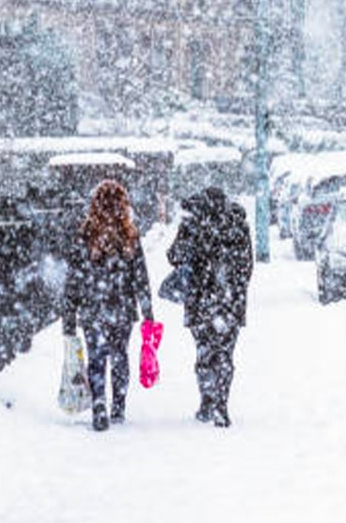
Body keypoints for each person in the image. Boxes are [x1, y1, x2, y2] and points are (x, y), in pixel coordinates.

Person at [63, 180, 155, 431]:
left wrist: (69, 317)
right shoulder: (130, 236)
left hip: (93, 308)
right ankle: (118, 406)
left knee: (96, 358)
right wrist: (148, 314)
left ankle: (99, 402)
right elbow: (141, 278)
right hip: (122, 308)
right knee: (119, 356)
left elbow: (74, 279)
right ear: (124, 206)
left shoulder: (85, 236)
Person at [167, 187, 253, 428]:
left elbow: (174, 256)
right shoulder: (238, 225)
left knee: (204, 352)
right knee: (225, 353)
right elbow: (247, 267)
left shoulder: (193, 225)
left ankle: (207, 401)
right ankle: (221, 404)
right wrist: (235, 292)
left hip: (200, 299)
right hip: (230, 301)